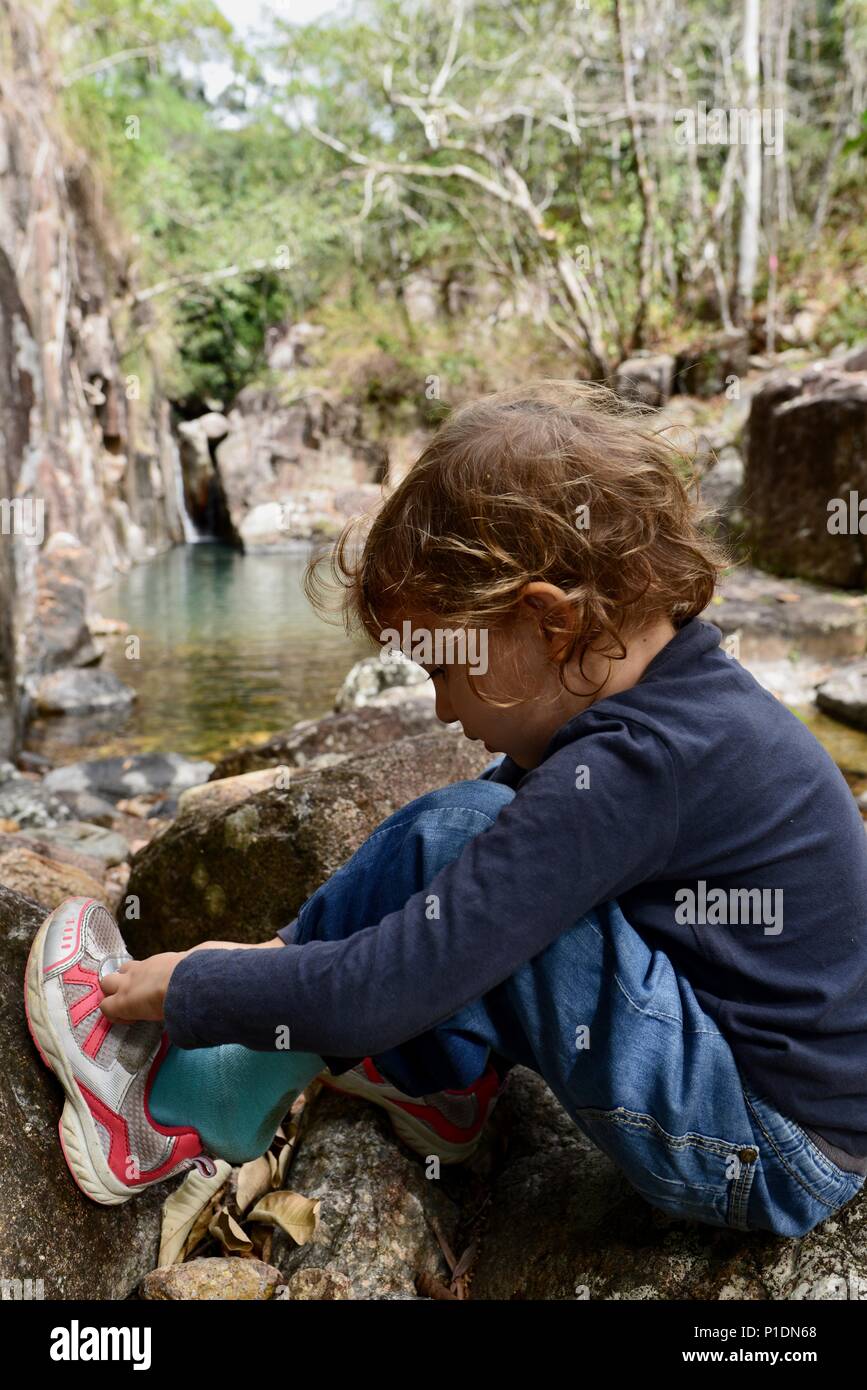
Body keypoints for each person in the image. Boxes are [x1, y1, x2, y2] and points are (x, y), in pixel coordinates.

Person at [25, 381, 867, 1235]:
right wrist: (278, 958)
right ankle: (440, 1082)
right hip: (759, 1092)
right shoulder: (681, 697)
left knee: (464, 842)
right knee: (470, 831)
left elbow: (385, 987)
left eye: (442, 668)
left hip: (767, 1148)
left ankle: (176, 1118)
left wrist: (199, 984)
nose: (439, 710)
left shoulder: (639, 764)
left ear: (549, 623)